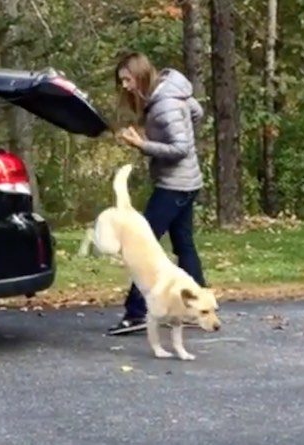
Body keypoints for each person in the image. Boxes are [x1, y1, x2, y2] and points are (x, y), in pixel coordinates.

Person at [108, 51, 208, 336]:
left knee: (142, 249)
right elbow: (197, 112)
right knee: (183, 245)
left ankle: (136, 312)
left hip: (174, 185)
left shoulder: (164, 103)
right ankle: (200, 304)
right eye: (122, 81)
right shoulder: (172, 92)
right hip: (187, 182)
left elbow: (180, 148)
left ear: (140, 74)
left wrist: (144, 145)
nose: (125, 86)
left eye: (127, 79)